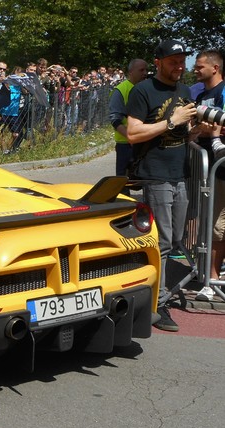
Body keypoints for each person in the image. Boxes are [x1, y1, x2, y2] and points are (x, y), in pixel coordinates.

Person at [126, 39, 199, 332]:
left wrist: (197, 131)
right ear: (158, 62)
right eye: (173, 61)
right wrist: (172, 121)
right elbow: (133, 132)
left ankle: (154, 297)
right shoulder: (143, 90)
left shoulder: (183, 90)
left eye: (182, 61)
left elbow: (183, 134)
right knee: (164, 241)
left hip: (179, 173)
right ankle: (156, 304)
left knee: (175, 239)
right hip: (155, 174)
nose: (179, 66)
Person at [193, 50, 225, 302]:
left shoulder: (223, 92)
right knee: (207, 222)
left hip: (220, 167)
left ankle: (211, 278)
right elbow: (199, 130)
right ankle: (206, 272)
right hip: (207, 168)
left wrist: (212, 135)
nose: (195, 69)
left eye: (200, 66)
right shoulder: (202, 95)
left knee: (217, 225)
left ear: (214, 68)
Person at [108, 58, 148, 194]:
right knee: (123, 181)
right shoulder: (121, 90)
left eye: (146, 70)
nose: (145, 73)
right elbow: (115, 119)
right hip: (126, 144)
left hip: (146, 142)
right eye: (141, 70)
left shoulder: (148, 89)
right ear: (131, 72)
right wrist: (130, 136)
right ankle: (124, 212)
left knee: (149, 179)